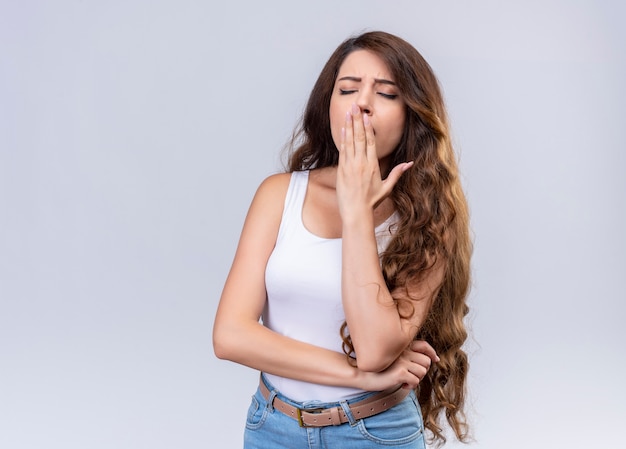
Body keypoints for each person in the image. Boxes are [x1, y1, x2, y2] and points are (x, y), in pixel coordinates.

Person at [213, 30, 472, 448]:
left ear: (411, 115)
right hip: (273, 429)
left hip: (376, 432)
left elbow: (373, 349)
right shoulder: (278, 194)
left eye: (386, 93)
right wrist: (360, 375)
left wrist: (356, 211)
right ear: (329, 105)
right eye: (347, 88)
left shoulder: (430, 219)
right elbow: (230, 335)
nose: (362, 102)